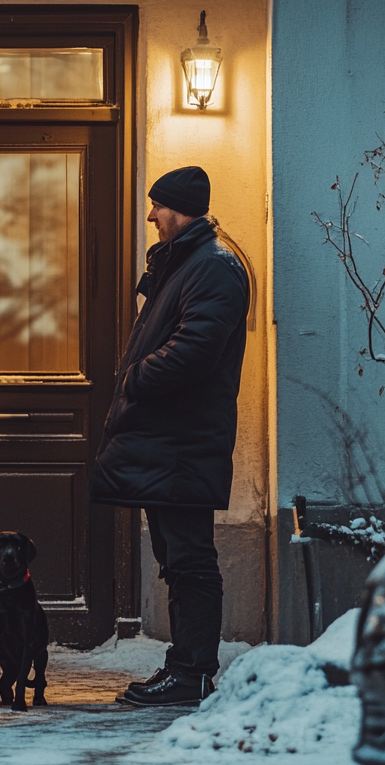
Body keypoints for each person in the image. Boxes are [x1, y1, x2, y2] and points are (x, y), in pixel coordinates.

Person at [90, 166, 250, 707]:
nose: (152, 216)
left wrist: (137, 376)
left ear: (180, 209)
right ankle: (185, 668)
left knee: (189, 560)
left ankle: (193, 673)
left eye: (158, 206)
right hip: (171, 441)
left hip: (183, 441)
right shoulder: (187, 263)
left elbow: (196, 351)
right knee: (177, 559)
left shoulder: (214, 267)